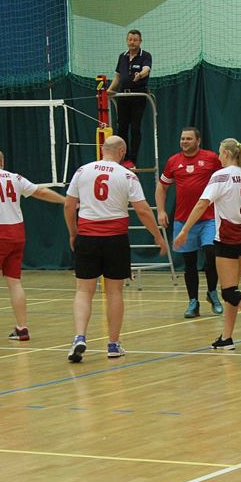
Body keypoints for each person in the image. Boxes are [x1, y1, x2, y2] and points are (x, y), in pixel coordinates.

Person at [64, 136, 167, 363]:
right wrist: (158, 236)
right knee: (114, 292)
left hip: (87, 236)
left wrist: (73, 232)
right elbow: (142, 210)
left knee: (84, 291)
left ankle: (79, 337)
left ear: (103, 149)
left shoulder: (82, 171)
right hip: (115, 239)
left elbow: (69, 205)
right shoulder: (127, 175)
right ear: (121, 151)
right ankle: (113, 344)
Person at [175, 138, 241, 352]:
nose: (218, 157)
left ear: (227, 154)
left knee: (229, 291)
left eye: (220, 153)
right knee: (232, 289)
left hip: (227, 237)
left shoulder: (221, 176)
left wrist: (185, 230)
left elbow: (202, 203)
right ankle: (227, 337)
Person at [0, 148, 66, 345]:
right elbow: (40, 191)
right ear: (2, 162)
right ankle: (22, 328)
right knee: (14, 282)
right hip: (17, 235)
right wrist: (65, 201)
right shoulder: (15, 178)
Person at [156, 127, 224, 318]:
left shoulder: (211, 158)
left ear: (198, 141)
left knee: (211, 253)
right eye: (182, 138)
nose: (184, 141)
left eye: (188, 138)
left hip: (209, 218)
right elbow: (162, 187)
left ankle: (212, 292)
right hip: (183, 219)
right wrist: (161, 210)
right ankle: (193, 302)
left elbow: (224, 181)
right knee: (189, 262)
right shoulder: (173, 161)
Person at [107, 29, 152, 168]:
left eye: (135, 40)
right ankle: (122, 159)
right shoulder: (122, 56)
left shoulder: (145, 55)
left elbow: (146, 69)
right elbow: (118, 77)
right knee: (122, 128)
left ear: (140, 41)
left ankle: (132, 160)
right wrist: (110, 90)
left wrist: (140, 75)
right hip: (122, 96)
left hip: (138, 96)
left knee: (135, 128)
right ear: (127, 40)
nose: (132, 42)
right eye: (130, 39)